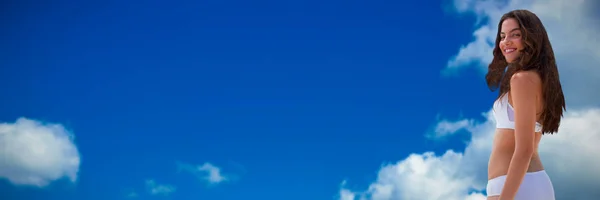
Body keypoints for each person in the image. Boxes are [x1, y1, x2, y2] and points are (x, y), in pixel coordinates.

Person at [485, 9, 566, 200]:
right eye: (503, 36)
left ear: (531, 38)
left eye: (516, 35)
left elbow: (525, 150)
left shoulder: (522, 80)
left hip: (518, 187)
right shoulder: (535, 79)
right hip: (521, 185)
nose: (506, 42)